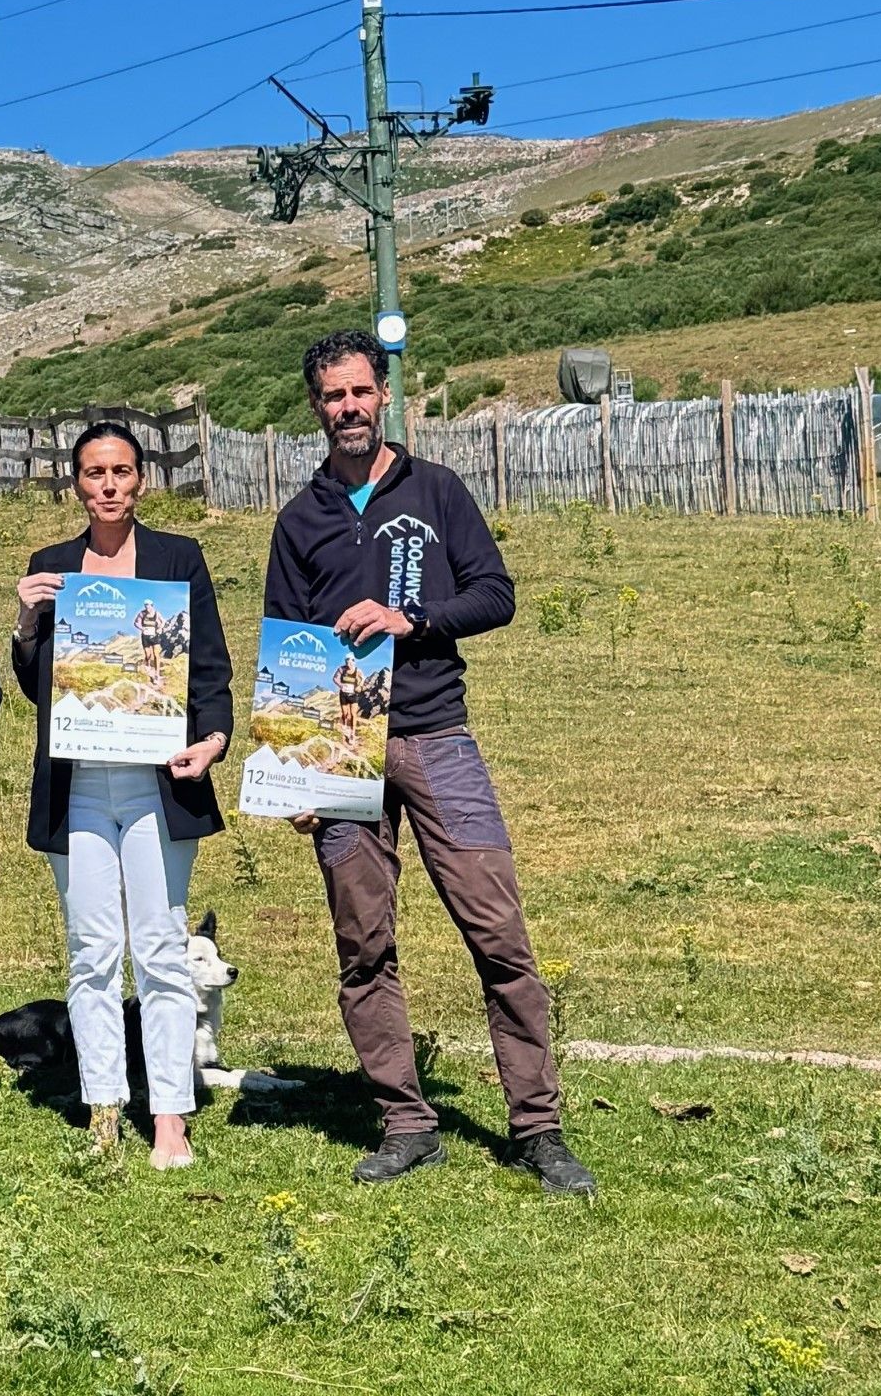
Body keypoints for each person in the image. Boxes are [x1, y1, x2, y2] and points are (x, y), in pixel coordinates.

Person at [267, 330, 596, 1195]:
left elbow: (496, 595)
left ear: (384, 395)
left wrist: (410, 618)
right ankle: (406, 1121)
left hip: (437, 739)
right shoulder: (298, 519)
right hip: (343, 756)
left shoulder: (437, 491)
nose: (348, 408)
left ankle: (538, 1126)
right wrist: (301, 775)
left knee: (498, 932)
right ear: (316, 407)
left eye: (360, 392)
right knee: (363, 942)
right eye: (333, 397)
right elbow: (288, 654)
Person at [10, 421, 232, 1169]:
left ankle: (170, 1114)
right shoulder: (51, 566)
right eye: (94, 472)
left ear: (142, 480)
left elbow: (208, 668)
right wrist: (26, 622)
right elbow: (38, 687)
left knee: (163, 950)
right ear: (76, 482)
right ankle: (104, 1104)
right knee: (91, 950)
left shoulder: (180, 560)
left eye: (122, 471)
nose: (108, 485)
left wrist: (214, 739)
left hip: (157, 783)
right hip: (79, 782)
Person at [334, 651, 363, 746]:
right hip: (344, 694)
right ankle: (345, 726)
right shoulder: (341, 669)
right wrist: (340, 685)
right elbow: (335, 678)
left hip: (353, 695)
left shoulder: (358, 671)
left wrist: (359, 686)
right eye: (347, 662)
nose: (349, 664)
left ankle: (352, 734)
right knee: (345, 713)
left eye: (351, 662)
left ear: (354, 662)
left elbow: (363, 680)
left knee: (353, 714)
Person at [136, 597, 165, 686]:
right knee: (148, 655)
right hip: (145, 636)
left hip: (155, 636)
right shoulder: (142, 614)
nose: (147, 607)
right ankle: (147, 664)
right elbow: (136, 623)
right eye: (146, 606)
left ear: (152, 606)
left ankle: (157, 674)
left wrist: (160, 628)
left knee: (156, 655)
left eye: (148, 605)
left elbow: (163, 621)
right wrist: (141, 628)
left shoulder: (156, 613)